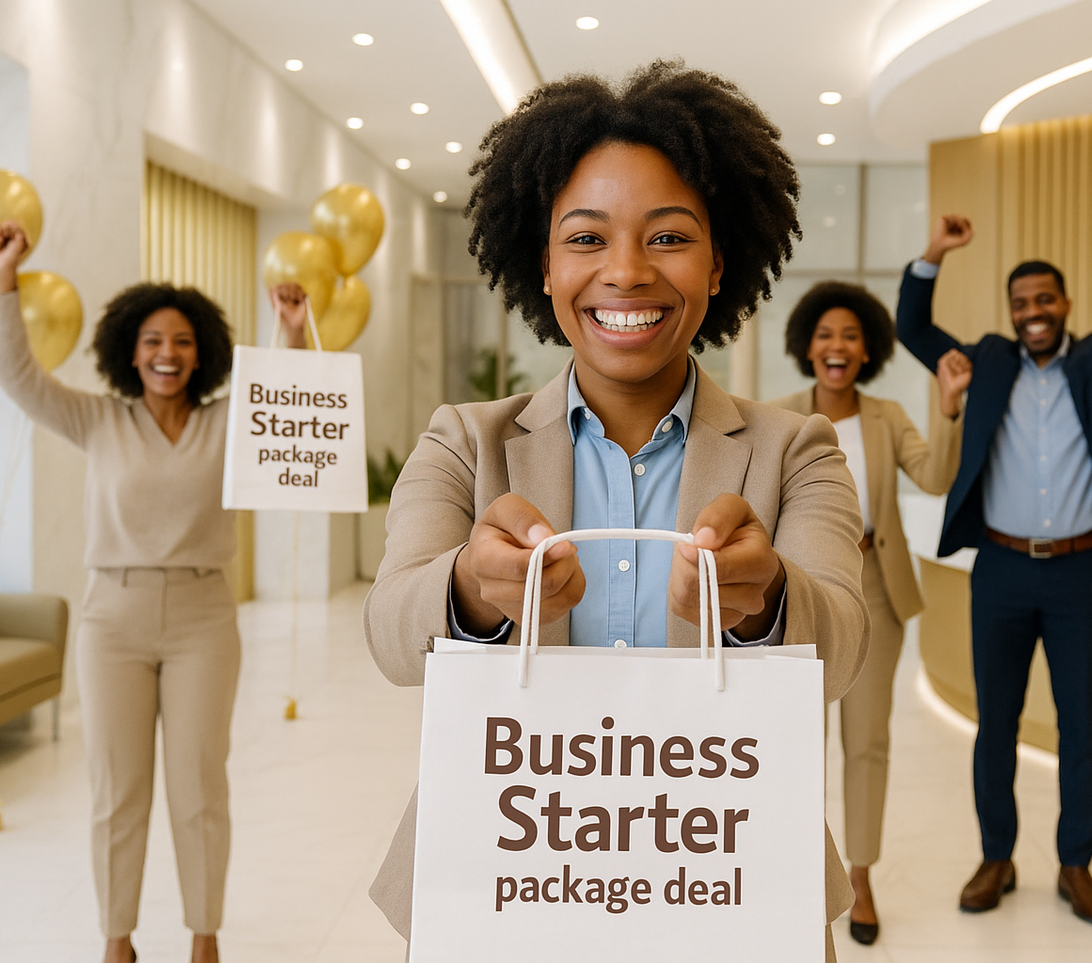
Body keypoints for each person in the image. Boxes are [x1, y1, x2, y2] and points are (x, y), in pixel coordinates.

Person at [364, 61, 870, 961]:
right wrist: (472, 590)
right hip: (511, 870)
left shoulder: (797, 450)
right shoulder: (462, 442)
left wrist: (764, 600)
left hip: (728, 873)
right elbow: (390, 636)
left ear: (718, 264)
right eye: (587, 238)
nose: (627, 273)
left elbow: (841, 655)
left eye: (668, 237)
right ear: (544, 261)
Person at [0, 223, 307, 963]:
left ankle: (203, 934)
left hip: (202, 614)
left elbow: (280, 400)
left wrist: (287, 330)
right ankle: (117, 938)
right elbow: (17, 376)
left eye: (184, 341)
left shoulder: (226, 424)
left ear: (204, 355)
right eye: (155, 341)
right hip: (113, 619)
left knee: (200, 784)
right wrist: (4, 282)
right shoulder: (98, 419)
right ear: (130, 350)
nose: (169, 354)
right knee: (116, 789)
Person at [894, 181, 1092, 927]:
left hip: (1080, 571)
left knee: (1080, 724)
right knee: (994, 722)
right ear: (1009, 313)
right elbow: (912, 326)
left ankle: (1075, 863)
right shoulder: (987, 361)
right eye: (1019, 304)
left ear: (1063, 303)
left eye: (1043, 300)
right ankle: (995, 855)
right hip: (999, 570)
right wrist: (934, 251)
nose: (1031, 313)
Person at [769, 281, 970, 945]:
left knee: (866, 742)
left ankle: (858, 877)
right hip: (798, 597)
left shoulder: (886, 417)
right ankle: (792, 869)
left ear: (867, 351)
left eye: (850, 336)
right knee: (796, 743)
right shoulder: (780, 418)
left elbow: (936, 477)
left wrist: (948, 408)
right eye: (825, 334)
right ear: (807, 346)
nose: (837, 346)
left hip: (874, 594)